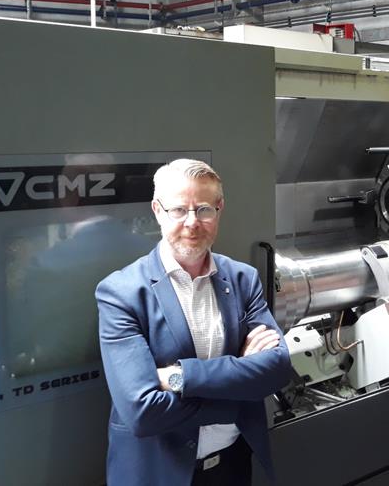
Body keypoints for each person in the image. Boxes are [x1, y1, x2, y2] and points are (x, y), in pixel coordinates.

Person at [96, 159, 292, 486]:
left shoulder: (243, 279)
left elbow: (277, 368)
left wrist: (179, 377)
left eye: (203, 209)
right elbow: (142, 412)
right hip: (159, 474)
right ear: (157, 211)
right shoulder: (122, 293)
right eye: (178, 210)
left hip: (231, 466)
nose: (192, 222)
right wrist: (239, 389)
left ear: (219, 209)